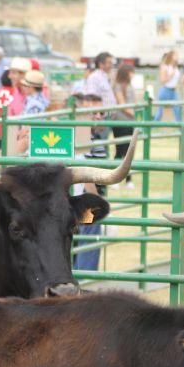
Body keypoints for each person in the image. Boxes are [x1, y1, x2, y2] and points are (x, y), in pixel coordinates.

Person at [73, 94, 107, 271]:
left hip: (87, 199)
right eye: (94, 112)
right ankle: (85, 280)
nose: (99, 116)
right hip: (86, 202)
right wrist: (96, 201)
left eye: (102, 112)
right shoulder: (84, 137)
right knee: (90, 237)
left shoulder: (94, 136)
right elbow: (83, 172)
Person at [112, 63, 136, 188]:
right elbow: (122, 104)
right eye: (131, 72)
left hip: (129, 120)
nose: (133, 75)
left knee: (128, 151)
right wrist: (134, 113)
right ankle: (116, 179)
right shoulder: (117, 86)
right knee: (120, 150)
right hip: (121, 120)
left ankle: (128, 179)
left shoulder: (129, 86)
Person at [154, 50, 182, 121]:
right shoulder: (165, 66)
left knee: (177, 109)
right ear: (171, 56)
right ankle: (152, 126)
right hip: (165, 90)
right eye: (176, 55)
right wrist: (170, 76)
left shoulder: (176, 67)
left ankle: (180, 128)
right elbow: (162, 80)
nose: (178, 57)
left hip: (173, 91)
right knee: (160, 112)